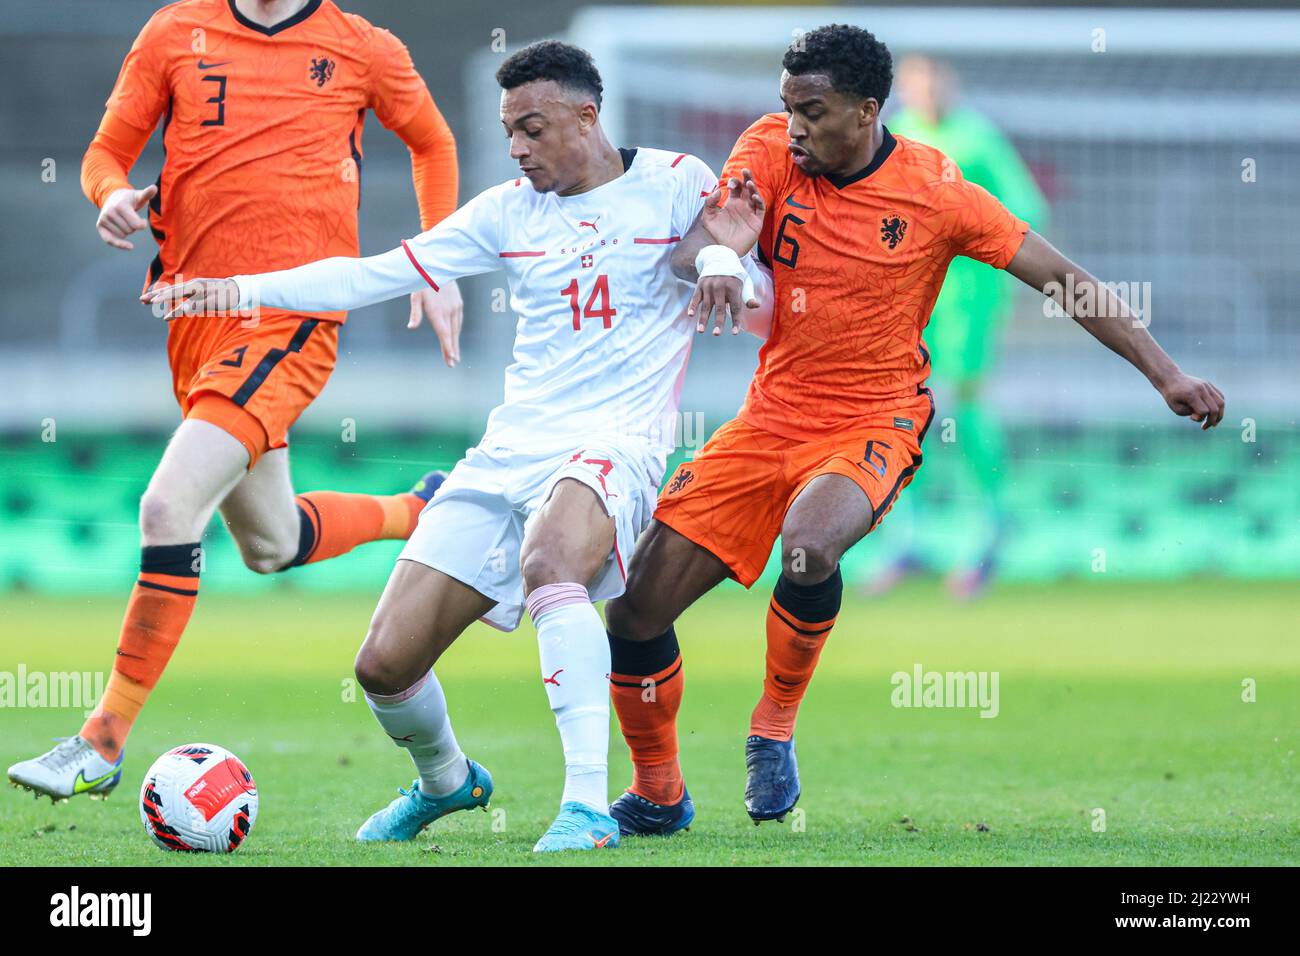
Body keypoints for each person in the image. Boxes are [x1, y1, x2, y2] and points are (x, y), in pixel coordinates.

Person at [141, 40, 769, 852]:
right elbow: (368, 276)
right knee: (383, 666)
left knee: (552, 562)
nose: (516, 147)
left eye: (532, 129)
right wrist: (236, 290)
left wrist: (725, 257)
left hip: (620, 442)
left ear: (587, 116)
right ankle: (447, 780)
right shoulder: (506, 210)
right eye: (510, 131)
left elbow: (757, 287)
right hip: (510, 451)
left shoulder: (682, 182)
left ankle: (584, 806)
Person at [601, 23, 1225, 835]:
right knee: (636, 610)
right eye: (787, 108)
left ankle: (774, 726)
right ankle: (658, 793)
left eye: (813, 112)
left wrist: (1166, 373)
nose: (794, 127)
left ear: (867, 110)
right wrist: (721, 256)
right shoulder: (769, 148)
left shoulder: (936, 192)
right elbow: (697, 245)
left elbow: (1065, 280)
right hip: (769, 416)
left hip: (874, 418)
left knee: (808, 543)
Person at [8, 0, 462, 803]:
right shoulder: (173, 31)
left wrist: (436, 264)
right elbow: (105, 155)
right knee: (271, 544)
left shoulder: (361, 46)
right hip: (191, 317)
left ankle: (100, 741)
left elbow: (432, 140)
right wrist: (110, 195)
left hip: (290, 321)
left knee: (165, 508)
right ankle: (420, 512)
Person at [878, 54, 1052, 597]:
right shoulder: (897, 135)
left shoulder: (977, 138)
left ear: (949, 83)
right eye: (913, 82)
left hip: (969, 298)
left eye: (932, 80)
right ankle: (909, 538)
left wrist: (978, 247)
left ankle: (991, 531)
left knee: (967, 404)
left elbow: (1028, 211)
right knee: (906, 406)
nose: (923, 90)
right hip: (908, 296)